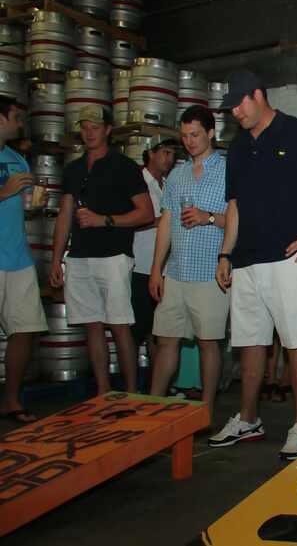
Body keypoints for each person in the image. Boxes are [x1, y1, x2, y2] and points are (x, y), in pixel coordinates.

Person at [212, 70, 297, 459]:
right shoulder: (237, 149)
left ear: (259, 95)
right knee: (251, 343)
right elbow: (234, 206)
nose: (235, 111)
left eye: (240, 102)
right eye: (231, 106)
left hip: (289, 258)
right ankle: (248, 419)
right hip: (246, 260)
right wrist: (225, 253)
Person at [49, 105, 153, 394]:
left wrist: (105, 220)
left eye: (95, 127)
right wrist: (57, 259)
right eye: (84, 127)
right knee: (91, 326)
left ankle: (131, 394)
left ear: (108, 129)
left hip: (114, 257)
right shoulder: (73, 169)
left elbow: (146, 213)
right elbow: (64, 214)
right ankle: (104, 394)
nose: (89, 132)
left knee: (120, 326)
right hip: (80, 257)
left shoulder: (124, 167)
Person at [149, 105, 229, 417]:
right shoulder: (177, 175)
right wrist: (157, 269)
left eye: (195, 134)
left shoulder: (227, 172)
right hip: (177, 272)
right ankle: (152, 407)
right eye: (184, 136)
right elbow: (166, 223)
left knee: (208, 343)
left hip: (211, 273)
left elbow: (238, 220)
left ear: (211, 133)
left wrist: (208, 217)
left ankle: (205, 410)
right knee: (166, 339)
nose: (190, 141)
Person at [0, 95, 48, 423]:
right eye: (16, 117)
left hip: (18, 256)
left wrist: (34, 203)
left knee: (25, 329)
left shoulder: (18, 159)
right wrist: (4, 192)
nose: (20, 123)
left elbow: (26, 204)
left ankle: (11, 401)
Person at [131, 136, 176, 374]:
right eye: (164, 153)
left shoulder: (169, 184)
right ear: (150, 153)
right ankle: (132, 386)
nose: (168, 159)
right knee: (136, 329)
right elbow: (128, 222)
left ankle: (156, 389)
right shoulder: (136, 182)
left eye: (171, 154)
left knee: (160, 332)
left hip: (166, 269)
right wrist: (162, 222)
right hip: (141, 266)